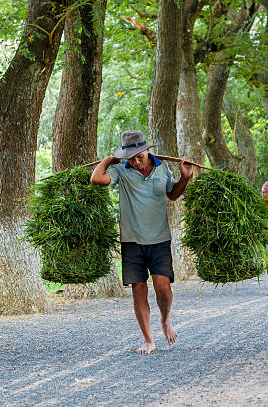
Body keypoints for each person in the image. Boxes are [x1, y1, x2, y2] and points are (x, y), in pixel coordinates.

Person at [90, 130, 192, 354]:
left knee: (163, 288)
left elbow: (173, 195)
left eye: (140, 156)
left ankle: (165, 320)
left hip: (159, 239)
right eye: (131, 158)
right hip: (132, 241)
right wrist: (109, 160)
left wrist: (184, 178)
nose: (136, 162)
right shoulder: (120, 170)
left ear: (147, 150)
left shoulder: (162, 169)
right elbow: (96, 179)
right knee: (138, 289)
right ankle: (148, 339)